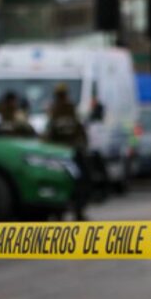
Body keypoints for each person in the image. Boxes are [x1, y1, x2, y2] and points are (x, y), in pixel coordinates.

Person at [45, 83, 90, 220]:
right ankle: (65, 212)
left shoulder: (63, 111)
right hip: (64, 155)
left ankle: (73, 212)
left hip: (66, 154)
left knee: (76, 182)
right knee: (74, 182)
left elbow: (49, 134)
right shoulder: (59, 111)